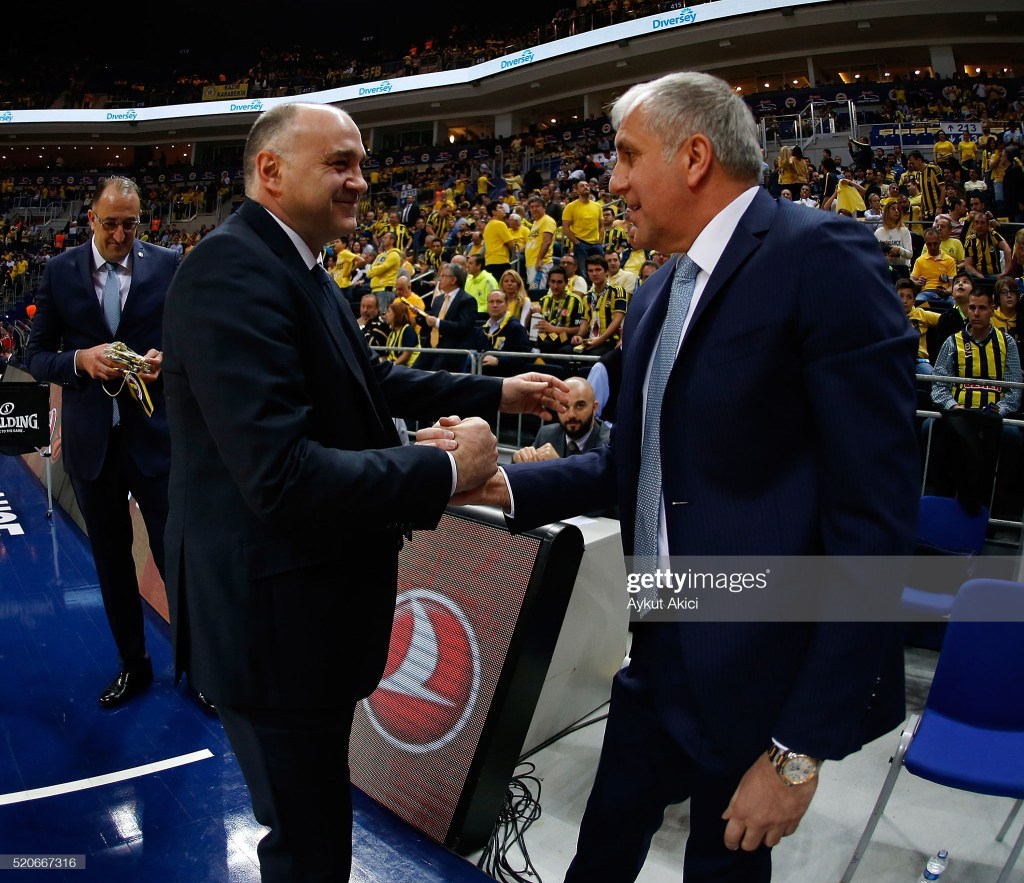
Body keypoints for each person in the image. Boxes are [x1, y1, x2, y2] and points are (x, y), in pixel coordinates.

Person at [456, 71, 918, 883]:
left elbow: (874, 520)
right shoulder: (654, 295)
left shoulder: (820, 257)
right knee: (597, 861)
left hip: (761, 671)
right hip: (659, 645)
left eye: (627, 156)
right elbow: (634, 466)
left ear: (695, 156)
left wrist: (797, 751)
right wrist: (504, 486)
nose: (613, 182)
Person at [160, 102, 567, 883]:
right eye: (339, 163)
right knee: (308, 846)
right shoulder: (229, 271)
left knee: (315, 827)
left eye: (361, 163)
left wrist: (495, 392)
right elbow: (282, 475)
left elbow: (367, 377)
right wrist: (447, 471)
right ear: (271, 171)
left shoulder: (294, 263)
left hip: (304, 615)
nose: (359, 181)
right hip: (270, 625)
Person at [26, 176, 186, 710]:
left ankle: (199, 668)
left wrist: (168, 359)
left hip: (156, 441)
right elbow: (36, 356)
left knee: (177, 559)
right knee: (113, 563)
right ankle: (134, 665)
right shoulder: (59, 270)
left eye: (130, 225)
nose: (120, 234)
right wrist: (80, 361)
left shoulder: (168, 264)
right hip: (92, 444)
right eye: (111, 223)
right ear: (90, 218)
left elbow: (190, 339)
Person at [511, 375, 610, 461]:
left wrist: (558, 465)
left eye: (580, 406)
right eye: (564, 406)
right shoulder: (546, 434)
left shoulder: (609, 443)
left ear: (594, 408)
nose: (571, 414)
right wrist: (520, 460)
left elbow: (598, 477)